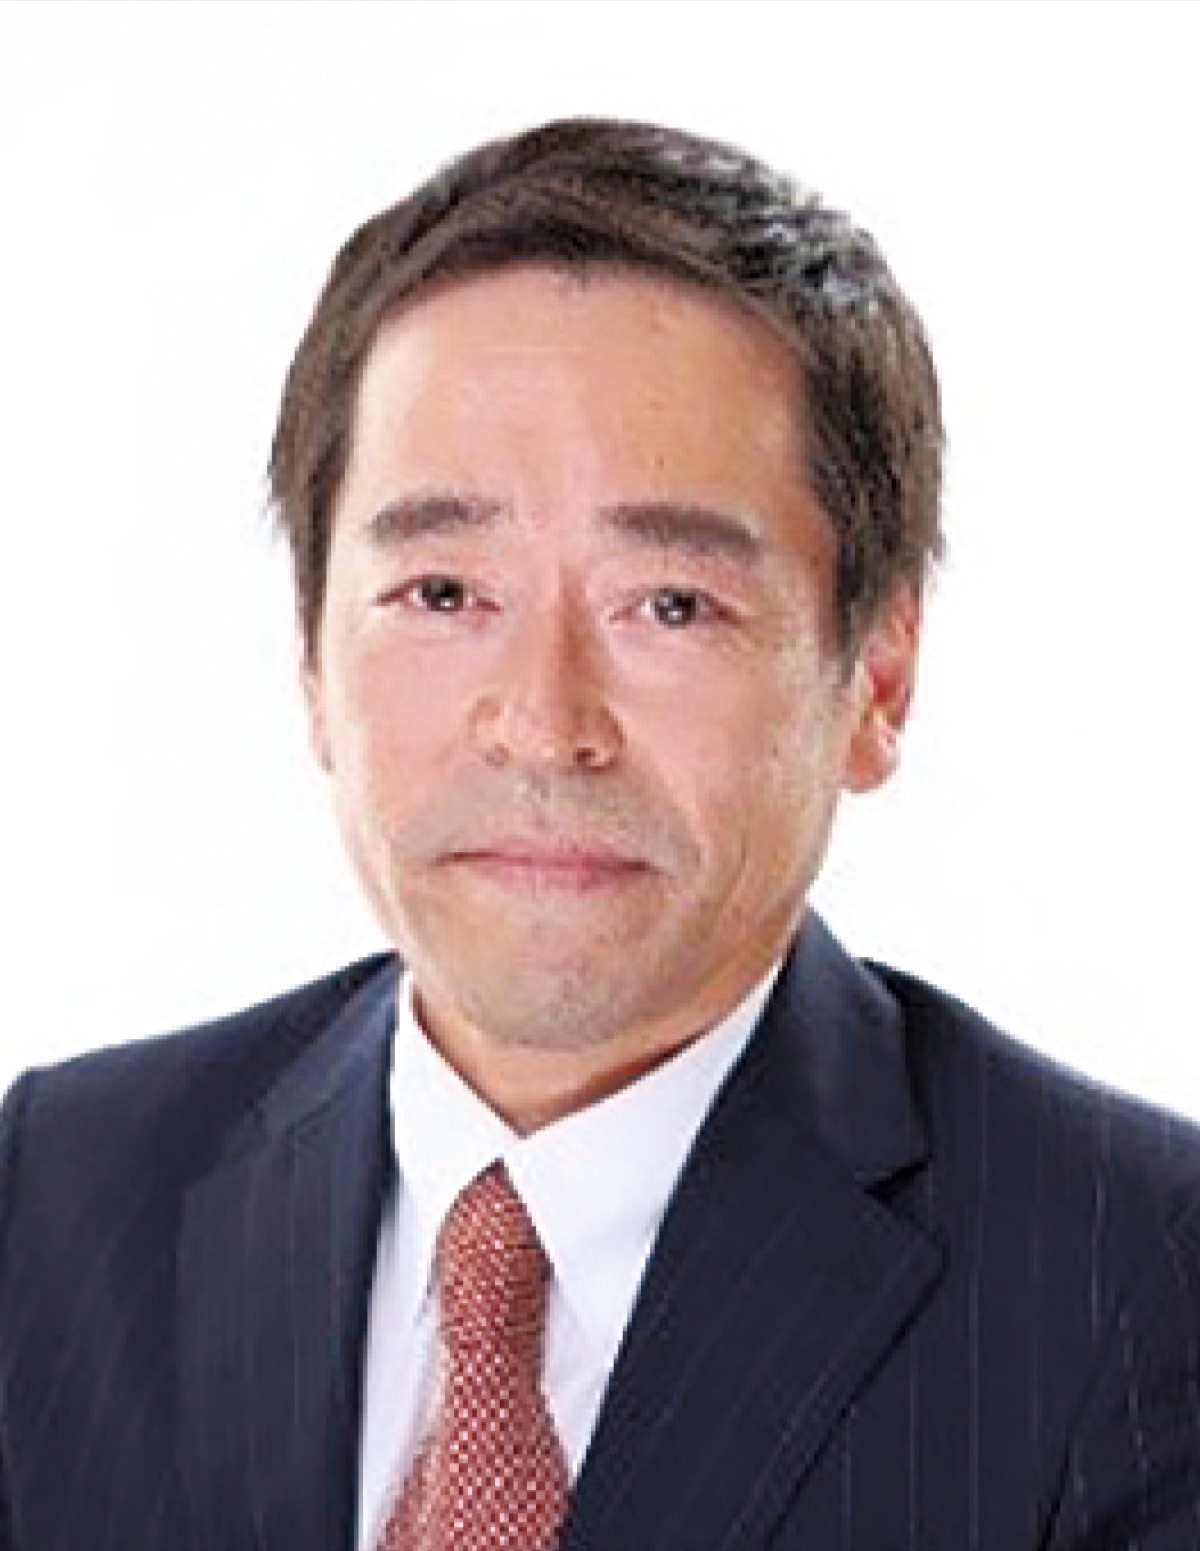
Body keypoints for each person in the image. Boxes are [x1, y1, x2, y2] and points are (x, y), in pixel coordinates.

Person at [1, 117, 1198, 1551]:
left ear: (876, 679)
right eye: (443, 594)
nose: (543, 723)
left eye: (669, 605)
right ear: (312, 658)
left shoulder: (1134, 1283)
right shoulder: (61, 1196)